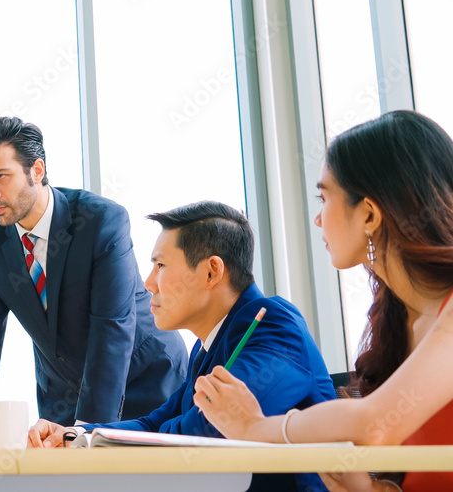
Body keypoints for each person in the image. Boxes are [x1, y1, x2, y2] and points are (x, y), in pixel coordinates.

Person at [194, 110, 453, 491]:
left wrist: (256, 427)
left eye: (324, 196)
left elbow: (374, 424)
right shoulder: (400, 321)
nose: (318, 219)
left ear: (368, 213)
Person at [27, 201, 336, 492]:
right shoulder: (206, 348)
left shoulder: (273, 324)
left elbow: (212, 428)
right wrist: (77, 435)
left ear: (211, 272)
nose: (149, 282)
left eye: (160, 265)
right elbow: (155, 421)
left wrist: (103, 444)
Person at [0, 117, 187, 448]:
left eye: (1, 177)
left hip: (146, 383)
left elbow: (112, 327)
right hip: (62, 399)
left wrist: (87, 430)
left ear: (36, 170)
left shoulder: (101, 220)